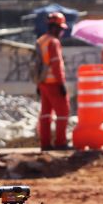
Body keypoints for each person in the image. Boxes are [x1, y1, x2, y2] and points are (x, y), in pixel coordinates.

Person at [36, 12, 70, 150]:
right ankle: (60, 143)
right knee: (63, 112)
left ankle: (45, 144)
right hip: (54, 83)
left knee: (45, 114)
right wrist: (62, 84)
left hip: (43, 83)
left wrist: (38, 83)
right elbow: (55, 65)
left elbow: (38, 63)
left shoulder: (41, 40)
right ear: (56, 27)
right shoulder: (54, 42)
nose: (62, 32)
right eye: (61, 29)